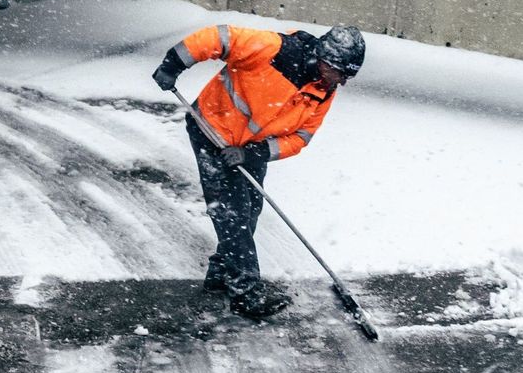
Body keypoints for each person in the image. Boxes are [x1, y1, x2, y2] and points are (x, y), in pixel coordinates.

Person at [151, 23, 365, 320]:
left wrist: (254, 153)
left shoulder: (322, 91)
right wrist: (173, 64)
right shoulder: (276, 50)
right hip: (212, 129)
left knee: (250, 209)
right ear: (325, 60)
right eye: (340, 73)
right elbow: (219, 37)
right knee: (232, 214)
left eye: (347, 76)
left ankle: (221, 274)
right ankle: (245, 294)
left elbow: (300, 138)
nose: (341, 82)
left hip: (249, 149)